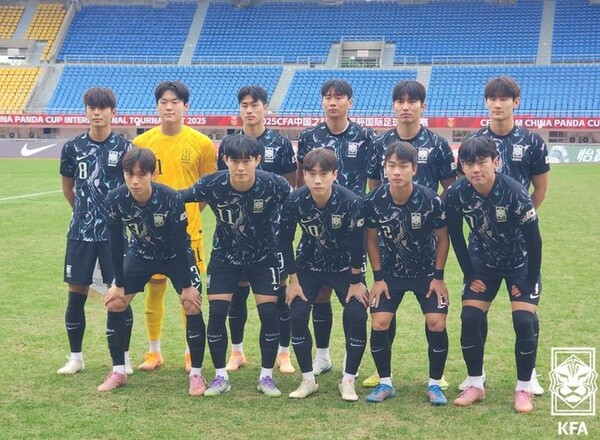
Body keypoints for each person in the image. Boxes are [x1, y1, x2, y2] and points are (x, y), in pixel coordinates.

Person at [458, 76, 549, 395]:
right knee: (473, 312)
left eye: (504, 98)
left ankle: (529, 373)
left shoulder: (532, 142)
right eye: (492, 99)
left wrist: (516, 223)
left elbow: (540, 190)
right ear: (486, 103)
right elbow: (464, 191)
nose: (498, 104)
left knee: (525, 316)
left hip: (520, 245)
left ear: (515, 102)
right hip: (482, 246)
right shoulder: (474, 142)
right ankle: (476, 375)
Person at [181, 134, 291, 397]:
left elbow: (298, 206)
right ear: (225, 160)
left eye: (247, 161)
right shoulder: (212, 184)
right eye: (235, 161)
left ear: (258, 160)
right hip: (225, 258)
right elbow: (176, 198)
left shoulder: (274, 184)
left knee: (269, 314)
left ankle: (266, 377)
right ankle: (220, 376)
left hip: (263, 258)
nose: (241, 167)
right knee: (217, 313)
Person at [364, 80, 456, 389]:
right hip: (390, 248)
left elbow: (451, 188)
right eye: (400, 101)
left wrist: (427, 214)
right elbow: (374, 190)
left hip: (425, 245)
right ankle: (382, 374)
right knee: (383, 315)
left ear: (422, 106)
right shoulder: (379, 144)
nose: (406, 107)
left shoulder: (437, 144)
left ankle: (435, 376)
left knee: (434, 317)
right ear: (393, 106)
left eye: (412, 101)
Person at [446, 137, 542, 413]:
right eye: (469, 164)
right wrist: (469, 273)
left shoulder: (516, 193)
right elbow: (456, 236)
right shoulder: (456, 193)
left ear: (495, 162)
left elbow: (534, 241)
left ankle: (524, 388)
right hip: (483, 263)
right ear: (462, 167)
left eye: (482, 162)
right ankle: (476, 384)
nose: (476, 169)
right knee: (470, 317)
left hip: (520, 262)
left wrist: (529, 279)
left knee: (524, 321)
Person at [100, 148, 206, 396]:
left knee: (192, 305)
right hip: (140, 254)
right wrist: (118, 283)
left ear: (153, 174)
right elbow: (115, 243)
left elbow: (179, 244)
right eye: (130, 174)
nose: (135, 181)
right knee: (115, 303)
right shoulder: (115, 199)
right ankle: (118, 371)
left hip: (174, 256)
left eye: (142, 175)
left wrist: (187, 286)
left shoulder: (171, 198)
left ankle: (197, 374)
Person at [133, 80, 216, 373]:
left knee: (188, 293)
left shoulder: (202, 144)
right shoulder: (142, 144)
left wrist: (187, 215)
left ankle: (190, 353)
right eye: (164, 102)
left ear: (186, 106)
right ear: (157, 106)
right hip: (151, 235)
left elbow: (206, 189)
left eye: (175, 102)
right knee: (154, 291)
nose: (169, 107)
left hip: (189, 233)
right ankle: (154, 351)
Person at [217, 85, 297, 374]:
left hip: (272, 236)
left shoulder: (280, 144)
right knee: (237, 297)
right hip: (235, 236)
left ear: (265, 108)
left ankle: (283, 354)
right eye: (244, 105)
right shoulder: (228, 144)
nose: (249, 110)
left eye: (255, 105)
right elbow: (221, 185)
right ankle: (237, 352)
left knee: (278, 297)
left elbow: (291, 187)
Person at [296, 79, 374, 375]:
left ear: (349, 102)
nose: (333, 102)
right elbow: (300, 179)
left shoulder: (365, 137)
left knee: (353, 296)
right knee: (320, 295)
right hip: (318, 228)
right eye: (327, 97)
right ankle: (323, 356)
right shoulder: (309, 136)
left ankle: (348, 361)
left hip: (352, 228)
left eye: (339, 97)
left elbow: (374, 180)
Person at [280, 148, 367, 401]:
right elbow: (284, 241)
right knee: (297, 314)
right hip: (308, 265)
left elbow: (358, 244)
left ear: (334, 175)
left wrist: (356, 281)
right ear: (304, 175)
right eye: (311, 174)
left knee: (357, 314)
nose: (317, 180)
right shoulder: (295, 201)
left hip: (344, 267)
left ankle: (348, 380)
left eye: (324, 174)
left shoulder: (351, 202)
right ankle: (308, 380)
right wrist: (293, 280)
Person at [58, 87, 133, 375]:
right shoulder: (72, 147)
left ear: (113, 112)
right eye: (92, 107)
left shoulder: (126, 148)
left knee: (120, 294)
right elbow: (68, 188)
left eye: (102, 108)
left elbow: (132, 189)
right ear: (86, 111)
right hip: (80, 234)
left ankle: (124, 357)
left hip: (115, 236)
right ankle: (76, 357)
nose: (97, 112)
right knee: (76, 291)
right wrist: (84, 214)